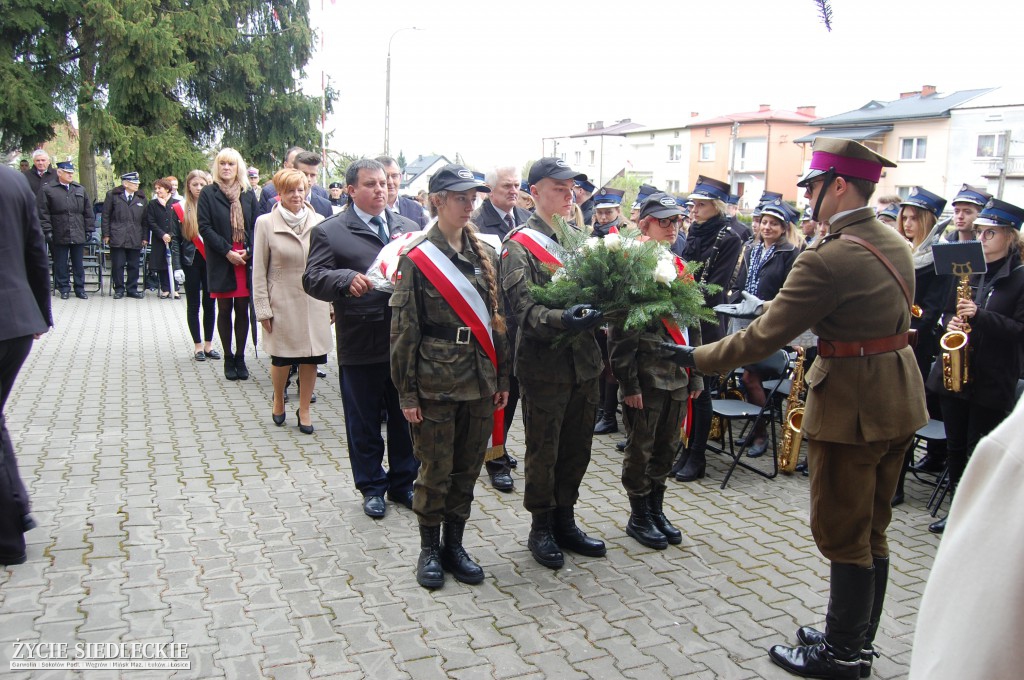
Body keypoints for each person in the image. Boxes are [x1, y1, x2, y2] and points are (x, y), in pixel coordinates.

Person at [665, 138, 928, 679]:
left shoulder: (830, 257)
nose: (807, 198)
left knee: (843, 531)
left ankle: (841, 656)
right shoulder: (892, 241)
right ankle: (855, 637)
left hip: (854, 405)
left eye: (811, 187)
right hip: (898, 397)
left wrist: (697, 357)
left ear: (838, 185)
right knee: (873, 527)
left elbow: (764, 334)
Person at [389, 164, 509, 588]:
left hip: (479, 382)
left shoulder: (486, 255)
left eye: (472, 197)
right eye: (460, 197)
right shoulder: (418, 258)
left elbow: (498, 322)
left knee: (466, 469)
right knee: (435, 470)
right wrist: (407, 394)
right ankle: (428, 548)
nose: (469, 204)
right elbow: (404, 332)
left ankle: (455, 545)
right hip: (436, 384)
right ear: (437, 200)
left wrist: (503, 380)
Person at [500, 157, 606, 570]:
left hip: (586, 364)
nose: (569, 195)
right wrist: (566, 318)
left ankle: (566, 519)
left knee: (577, 448)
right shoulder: (517, 246)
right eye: (559, 188)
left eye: (572, 188)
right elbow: (523, 311)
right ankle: (540, 526)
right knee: (544, 449)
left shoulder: (580, 241)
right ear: (535, 192)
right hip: (545, 367)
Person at [303, 159, 419, 518]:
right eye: (370, 184)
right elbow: (312, 277)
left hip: (406, 342)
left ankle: (404, 483)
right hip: (362, 340)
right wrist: (343, 280)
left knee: (406, 417)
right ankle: (371, 486)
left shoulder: (409, 227)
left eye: (384, 183)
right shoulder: (331, 231)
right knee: (364, 420)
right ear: (351, 190)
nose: (380, 190)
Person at [609, 193, 703, 550]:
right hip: (646, 377)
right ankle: (638, 514)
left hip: (677, 376)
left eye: (676, 221)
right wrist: (627, 382)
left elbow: (692, 324)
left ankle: (656, 507)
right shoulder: (630, 265)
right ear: (644, 223)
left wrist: (696, 374)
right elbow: (620, 334)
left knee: (668, 445)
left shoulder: (679, 266)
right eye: (664, 221)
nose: (672, 227)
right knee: (641, 449)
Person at [924, 198, 1024, 534]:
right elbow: (947, 311)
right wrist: (950, 324)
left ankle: (976, 519)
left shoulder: (1020, 279)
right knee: (954, 448)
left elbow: (1019, 332)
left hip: (991, 377)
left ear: (1010, 236)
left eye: (989, 233)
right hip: (955, 373)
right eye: (979, 232)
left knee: (976, 450)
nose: (981, 239)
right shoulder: (968, 270)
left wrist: (980, 317)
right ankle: (955, 511)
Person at [908, 397, 1024, 680]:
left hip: (991, 381)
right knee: (957, 446)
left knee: (972, 445)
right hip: (960, 384)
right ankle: (955, 499)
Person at [673, 175, 744, 482]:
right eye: (694, 204)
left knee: (701, 392)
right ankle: (684, 448)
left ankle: (697, 455)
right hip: (684, 317)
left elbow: (715, 287)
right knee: (685, 389)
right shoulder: (695, 232)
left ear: (716, 206)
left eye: (701, 205)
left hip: (705, 322)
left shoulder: (729, 238)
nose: (695, 210)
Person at [252, 168, 332, 433]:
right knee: (282, 359)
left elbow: (327, 264)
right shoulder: (265, 222)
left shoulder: (319, 220)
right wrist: (263, 308)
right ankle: (278, 398)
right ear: (279, 194)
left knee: (312, 358)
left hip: (314, 300)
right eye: (290, 191)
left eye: (300, 189)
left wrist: (331, 302)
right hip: (281, 301)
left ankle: (305, 408)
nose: (296, 195)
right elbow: (259, 270)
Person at [0, 166, 52, 565]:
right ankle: (17, 509)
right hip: (17, 320)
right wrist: (40, 313)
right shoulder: (14, 180)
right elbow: (37, 249)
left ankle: (8, 536)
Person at [471, 165, 531, 491]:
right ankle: (494, 458)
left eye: (516, 185)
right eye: (506, 185)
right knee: (499, 391)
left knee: (517, 389)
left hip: (526, 321)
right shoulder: (477, 223)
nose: (512, 191)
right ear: (491, 189)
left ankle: (501, 448)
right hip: (494, 321)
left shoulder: (526, 219)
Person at [729, 199, 804, 457]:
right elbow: (740, 284)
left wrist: (765, 309)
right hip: (745, 321)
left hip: (771, 325)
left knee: (751, 377)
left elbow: (788, 294)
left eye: (774, 224)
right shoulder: (752, 249)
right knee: (745, 378)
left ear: (784, 228)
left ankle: (761, 434)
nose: (767, 227)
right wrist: (732, 304)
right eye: (764, 222)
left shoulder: (790, 254)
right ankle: (755, 430)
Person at [198, 148, 259, 381]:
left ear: (238, 167)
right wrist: (226, 251)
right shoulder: (208, 193)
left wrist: (250, 251)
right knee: (224, 309)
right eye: (222, 163)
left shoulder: (247, 193)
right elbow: (205, 227)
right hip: (222, 258)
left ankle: (241, 357)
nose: (226, 168)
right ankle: (228, 357)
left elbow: (256, 225)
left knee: (243, 309)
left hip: (244, 258)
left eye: (231, 164)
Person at [170, 170, 219, 361]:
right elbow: (175, 240)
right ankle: (197, 346)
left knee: (210, 303)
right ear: (188, 186)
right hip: (190, 262)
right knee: (194, 305)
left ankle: (209, 344)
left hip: (211, 261)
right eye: (195, 185)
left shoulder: (213, 205)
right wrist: (177, 266)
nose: (199, 188)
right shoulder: (179, 208)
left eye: (202, 184)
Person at [36, 160, 94, 300]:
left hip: (78, 231)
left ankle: (80, 288)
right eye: (67, 173)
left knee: (78, 263)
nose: (70, 175)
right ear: (59, 172)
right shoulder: (48, 189)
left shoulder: (80, 189)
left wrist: (89, 229)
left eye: (72, 173)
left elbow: (88, 211)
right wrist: (47, 230)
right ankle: (64, 288)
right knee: (61, 263)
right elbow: (43, 212)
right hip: (59, 231)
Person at [103, 171, 149, 299]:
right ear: (125, 183)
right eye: (134, 183)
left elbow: (145, 220)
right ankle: (119, 289)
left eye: (137, 183)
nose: (137, 185)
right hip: (117, 234)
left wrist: (145, 237)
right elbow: (106, 216)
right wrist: (106, 234)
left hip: (135, 236)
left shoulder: (142, 198)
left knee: (134, 265)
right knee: (118, 264)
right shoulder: (113, 195)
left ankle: (132, 289)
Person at [144, 177, 181, 299]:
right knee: (162, 264)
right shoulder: (153, 204)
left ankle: (175, 289)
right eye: (156, 189)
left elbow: (180, 221)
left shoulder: (176, 203)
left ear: (167, 189)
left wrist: (170, 234)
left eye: (159, 188)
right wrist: (162, 234)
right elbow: (151, 221)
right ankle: (165, 288)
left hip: (174, 238)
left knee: (174, 262)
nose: (157, 191)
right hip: (159, 239)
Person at [376, 156, 429, 228]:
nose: (390, 182)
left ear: (400, 178)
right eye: (385, 176)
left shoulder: (415, 209)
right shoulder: (367, 210)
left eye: (394, 176)